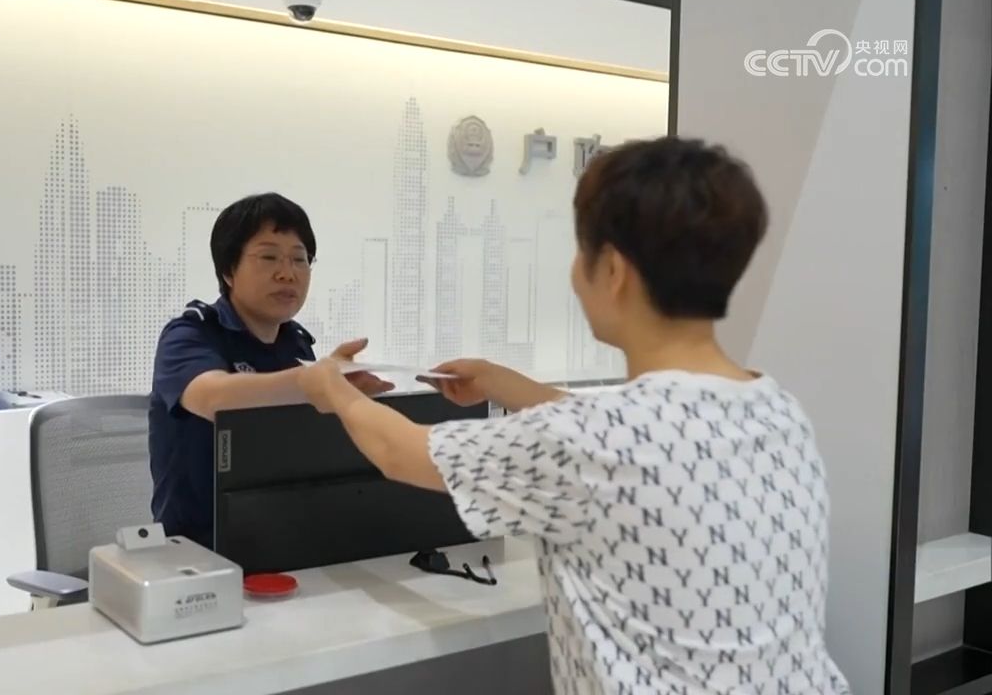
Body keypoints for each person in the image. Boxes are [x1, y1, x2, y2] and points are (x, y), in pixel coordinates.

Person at [296, 137, 850, 694]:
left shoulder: (586, 440)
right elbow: (644, 437)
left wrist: (334, 388)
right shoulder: (776, 409)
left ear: (612, 270)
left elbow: (400, 451)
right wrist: (507, 385)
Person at [149, 192, 392, 549]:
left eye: (300, 259)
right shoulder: (190, 335)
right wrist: (314, 383)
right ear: (228, 270)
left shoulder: (296, 344)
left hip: (281, 538)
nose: (287, 273)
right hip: (197, 550)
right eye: (268, 257)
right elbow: (215, 398)